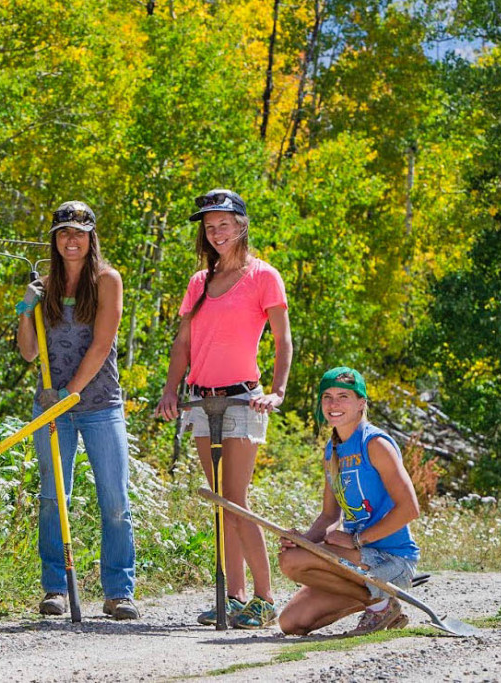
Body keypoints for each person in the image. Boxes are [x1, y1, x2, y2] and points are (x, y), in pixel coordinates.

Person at [155, 189, 292, 629]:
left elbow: (283, 339)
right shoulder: (199, 282)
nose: (216, 233)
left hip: (241, 398)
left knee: (236, 500)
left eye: (224, 225)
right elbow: (184, 343)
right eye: (210, 226)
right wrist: (170, 389)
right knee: (219, 503)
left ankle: (265, 597)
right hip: (202, 399)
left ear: (241, 225)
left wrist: (277, 391)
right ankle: (232, 596)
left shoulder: (263, 276)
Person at [15, 200, 139, 620]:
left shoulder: (107, 280)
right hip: (51, 407)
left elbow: (102, 344)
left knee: (115, 499)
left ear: (91, 238)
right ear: (54, 238)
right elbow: (30, 353)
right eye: (64, 232)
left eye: (80, 233)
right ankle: (56, 588)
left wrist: (69, 392)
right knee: (53, 498)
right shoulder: (45, 286)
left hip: (99, 404)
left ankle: (119, 591)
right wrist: (25, 310)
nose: (72, 240)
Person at [277, 367, 420, 636]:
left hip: (391, 559)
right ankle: (380, 603)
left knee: (292, 562)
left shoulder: (375, 444)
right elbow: (330, 516)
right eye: (327, 397)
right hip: (358, 561)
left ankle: (381, 601)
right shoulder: (332, 450)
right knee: (291, 623)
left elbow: (410, 509)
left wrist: (357, 540)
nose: (334, 404)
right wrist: (305, 540)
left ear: (361, 403)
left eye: (343, 396)